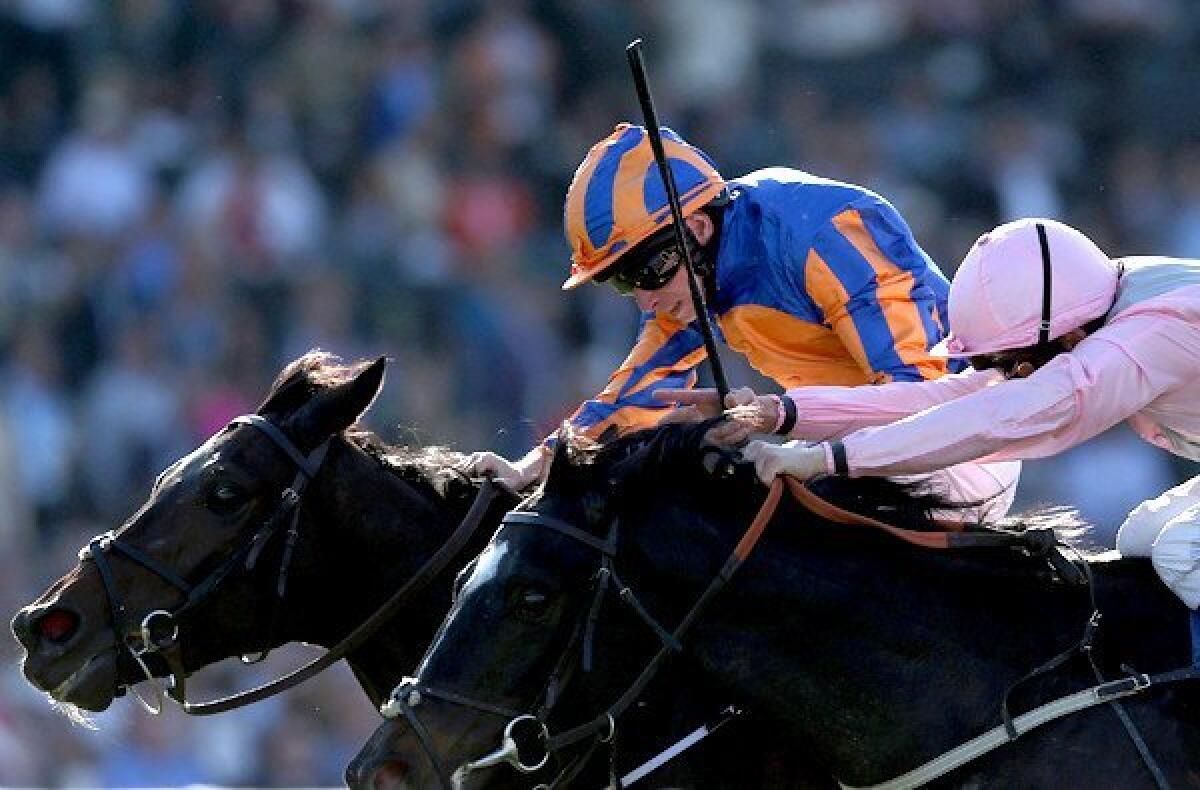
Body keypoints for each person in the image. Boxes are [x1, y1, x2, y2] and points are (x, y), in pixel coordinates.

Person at [465, 122, 1019, 519]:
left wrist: (783, 422)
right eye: (621, 282)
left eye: (644, 274)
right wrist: (531, 469)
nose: (643, 300)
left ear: (698, 232)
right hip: (854, 447)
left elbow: (921, 398)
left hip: (962, 444)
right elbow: (639, 396)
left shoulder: (827, 233)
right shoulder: (692, 275)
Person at [737, 217, 1200, 650]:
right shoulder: (1101, 298)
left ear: (1072, 338)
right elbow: (948, 399)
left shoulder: (1144, 338)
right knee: (1140, 541)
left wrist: (827, 460)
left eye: (1012, 365)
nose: (1004, 375)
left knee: (1180, 556)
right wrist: (781, 413)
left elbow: (992, 418)